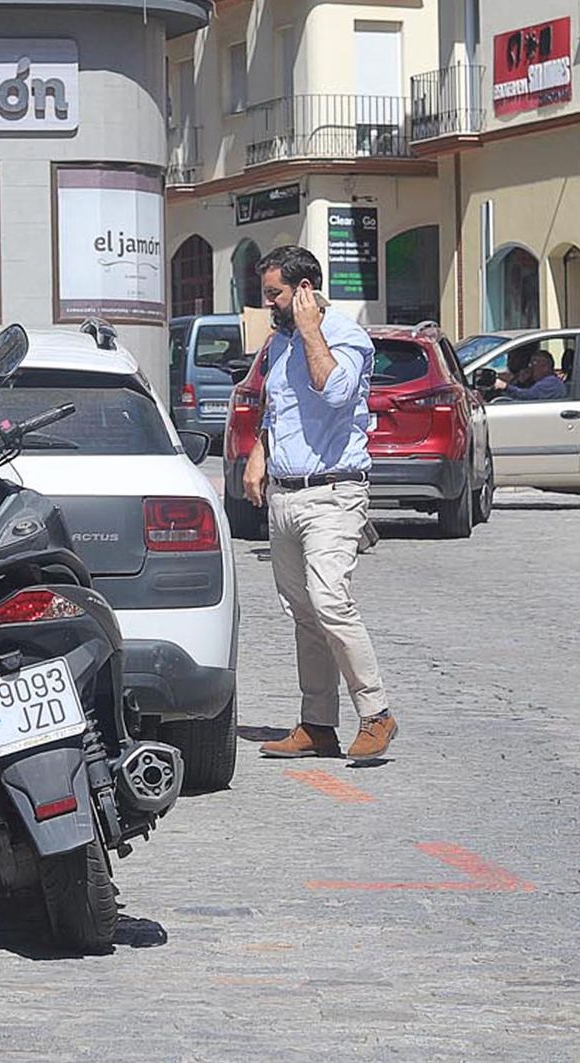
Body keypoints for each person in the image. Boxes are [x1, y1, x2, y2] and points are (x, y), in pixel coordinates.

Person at [243, 245, 398, 764]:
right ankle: (318, 724)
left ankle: (376, 713)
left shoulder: (345, 337)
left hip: (334, 492)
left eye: (276, 295)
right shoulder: (278, 345)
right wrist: (258, 455)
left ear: (304, 291)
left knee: (330, 600)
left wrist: (311, 330)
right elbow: (277, 408)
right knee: (304, 613)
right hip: (286, 494)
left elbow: (334, 392)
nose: (269, 306)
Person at [496, 350, 566, 401]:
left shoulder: (551, 382)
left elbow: (528, 396)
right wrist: (521, 381)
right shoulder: (540, 381)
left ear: (545, 367)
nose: (530, 366)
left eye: (534, 363)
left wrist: (505, 386)